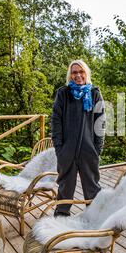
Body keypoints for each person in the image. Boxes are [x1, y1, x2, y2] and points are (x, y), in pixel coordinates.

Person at [51, 60, 106, 217]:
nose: (78, 75)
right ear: (70, 75)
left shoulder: (94, 93)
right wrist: (59, 148)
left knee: (92, 186)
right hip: (66, 150)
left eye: (81, 71)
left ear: (86, 73)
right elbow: (56, 122)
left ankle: (94, 217)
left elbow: (100, 122)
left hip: (89, 150)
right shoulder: (63, 93)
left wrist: (97, 149)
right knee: (65, 186)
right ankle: (61, 217)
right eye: (74, 72)